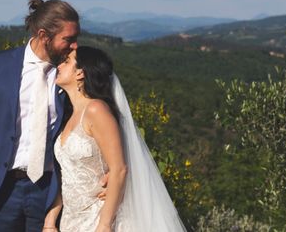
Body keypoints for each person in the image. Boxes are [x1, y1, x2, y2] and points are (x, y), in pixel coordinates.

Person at [0, 0, 80, 231]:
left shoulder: (72, 72)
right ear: (44, 35)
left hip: (49, 191)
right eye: (69, 39)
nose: (75, 46)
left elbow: (92, 120)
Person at [48, 46, 187, 232]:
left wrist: (104, 225)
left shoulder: (96, 110)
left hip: (98, 218)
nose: (59, 66)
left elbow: (119, 169)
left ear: (80, 73)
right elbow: (66, 175)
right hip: (71, 221)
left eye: (66, 62)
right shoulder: (69, 115)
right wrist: (50, 221)